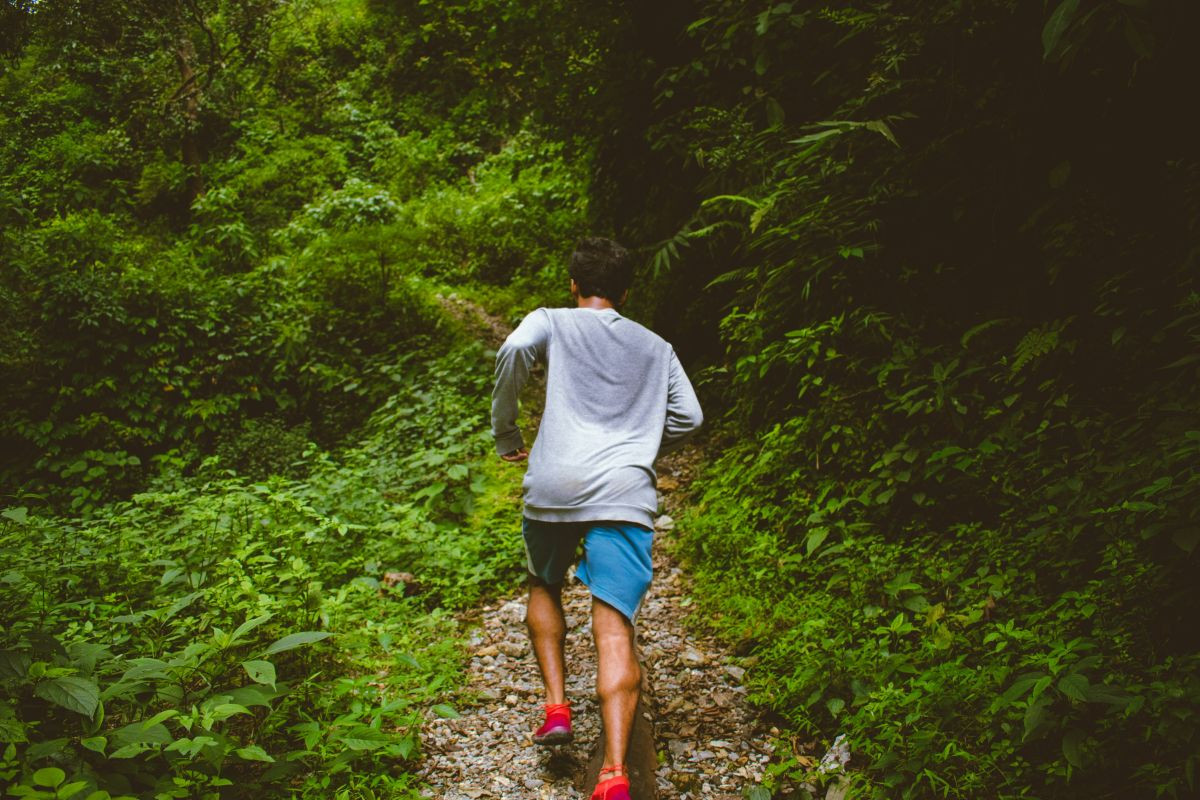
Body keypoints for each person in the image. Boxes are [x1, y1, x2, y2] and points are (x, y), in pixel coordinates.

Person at [491, 236, 703, 800]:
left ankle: (557, 707)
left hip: (555, 483)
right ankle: (613, 773)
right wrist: (641, 446)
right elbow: (692, 417)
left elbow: (513, 350)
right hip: (624, 491)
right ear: (627, 290)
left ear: (573, 284)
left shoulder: (551, 320)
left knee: (544, 581)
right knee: (614, 627)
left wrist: (506, 433)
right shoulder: (656, 347)